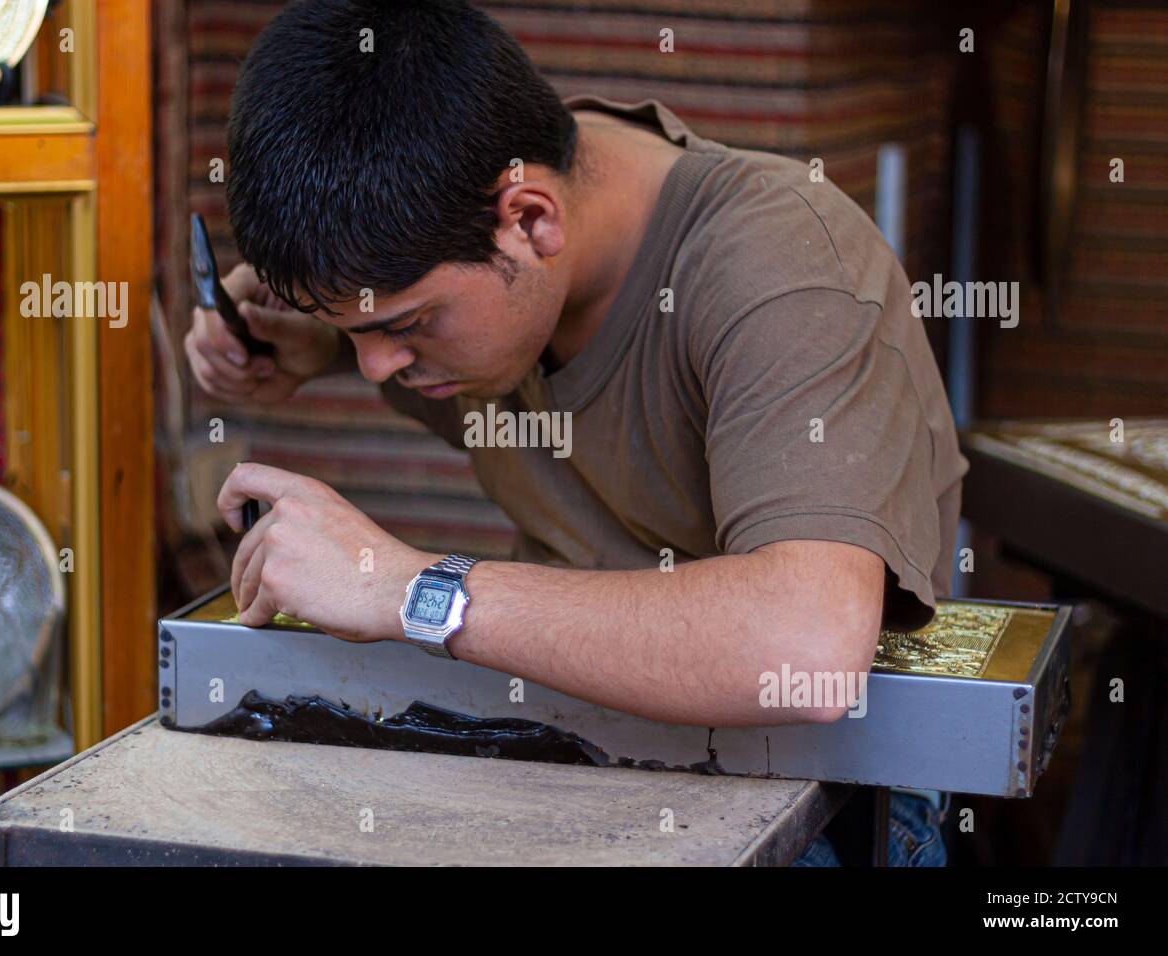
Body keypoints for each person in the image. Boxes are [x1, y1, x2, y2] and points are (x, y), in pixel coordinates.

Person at [184, 0, 967, 866]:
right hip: (573, 742)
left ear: (530, 220)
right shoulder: (484, 213)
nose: (376, 368)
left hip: (814, 793)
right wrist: (307, 337)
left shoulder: (783, 269)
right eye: (354, 331)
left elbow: (804, 644)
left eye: (406, 325)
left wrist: (408, 588)